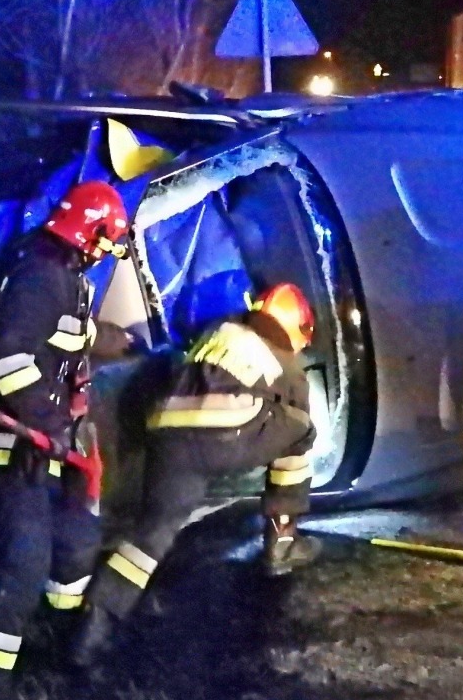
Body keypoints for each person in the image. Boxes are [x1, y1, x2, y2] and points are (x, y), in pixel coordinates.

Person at [69, 282, 320, 668]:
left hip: (170, 435)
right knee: (301, 428)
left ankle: (93, 629)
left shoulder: (218, 334)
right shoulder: (286, 363)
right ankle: (282, 542)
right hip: (227, 433)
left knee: (151, 536)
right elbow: (290, 416)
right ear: (295, 329)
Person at [0, 180, 130, 700]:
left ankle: (60, 647)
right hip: (11, 445)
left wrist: (115, 344)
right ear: (88, 228)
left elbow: (67, 345)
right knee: (25, 562)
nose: (106, 250)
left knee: (78, 540)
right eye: (106, 239)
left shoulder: (68, 278)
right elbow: (7, 357)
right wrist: (45, 420)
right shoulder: (39, 276)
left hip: (45, 440)